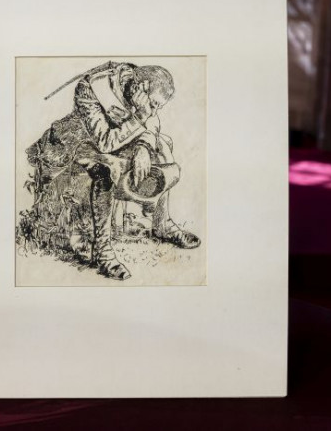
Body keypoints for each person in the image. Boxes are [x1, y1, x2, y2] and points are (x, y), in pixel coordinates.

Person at [25, 62, 200, 280]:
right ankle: (103, 250)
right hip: (74, 145)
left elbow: (152, 122)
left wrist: (143, 146)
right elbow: (105, 142)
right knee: (106, 170)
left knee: (162, 146)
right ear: (142, 87)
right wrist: (140, 117)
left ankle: (162, 224)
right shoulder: (91, 88)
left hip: (112, 140)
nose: (154, 110)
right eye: (154, 104)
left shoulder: (136, 81)